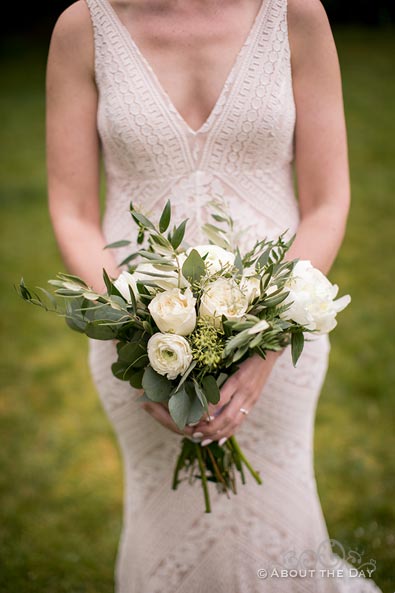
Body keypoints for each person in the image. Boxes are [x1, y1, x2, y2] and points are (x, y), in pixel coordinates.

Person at [46, 0, 382, 591]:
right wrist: (138, 328)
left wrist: (269, 341)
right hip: (141, 350)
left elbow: (328, 201)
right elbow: (71, 209)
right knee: (164, 529)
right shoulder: (84, 25)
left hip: (278, 342)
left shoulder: (295, 14)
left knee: (280, 520)